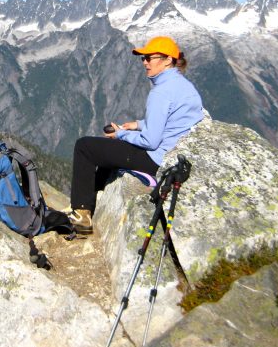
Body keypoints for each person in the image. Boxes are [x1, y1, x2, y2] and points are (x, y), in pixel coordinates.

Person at [68, 36, 204, 234]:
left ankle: (82, 214)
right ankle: (94, 199)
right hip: (174, 158)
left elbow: (150, 141)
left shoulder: (161, 92)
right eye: (143, 58)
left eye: (149, 57)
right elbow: (173, 121)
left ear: (167, 60)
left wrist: (121, 134)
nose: (145, 62)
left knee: (85, 147)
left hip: (155, 159)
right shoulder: (184, 86)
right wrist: (137, 125)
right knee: (109, 153)